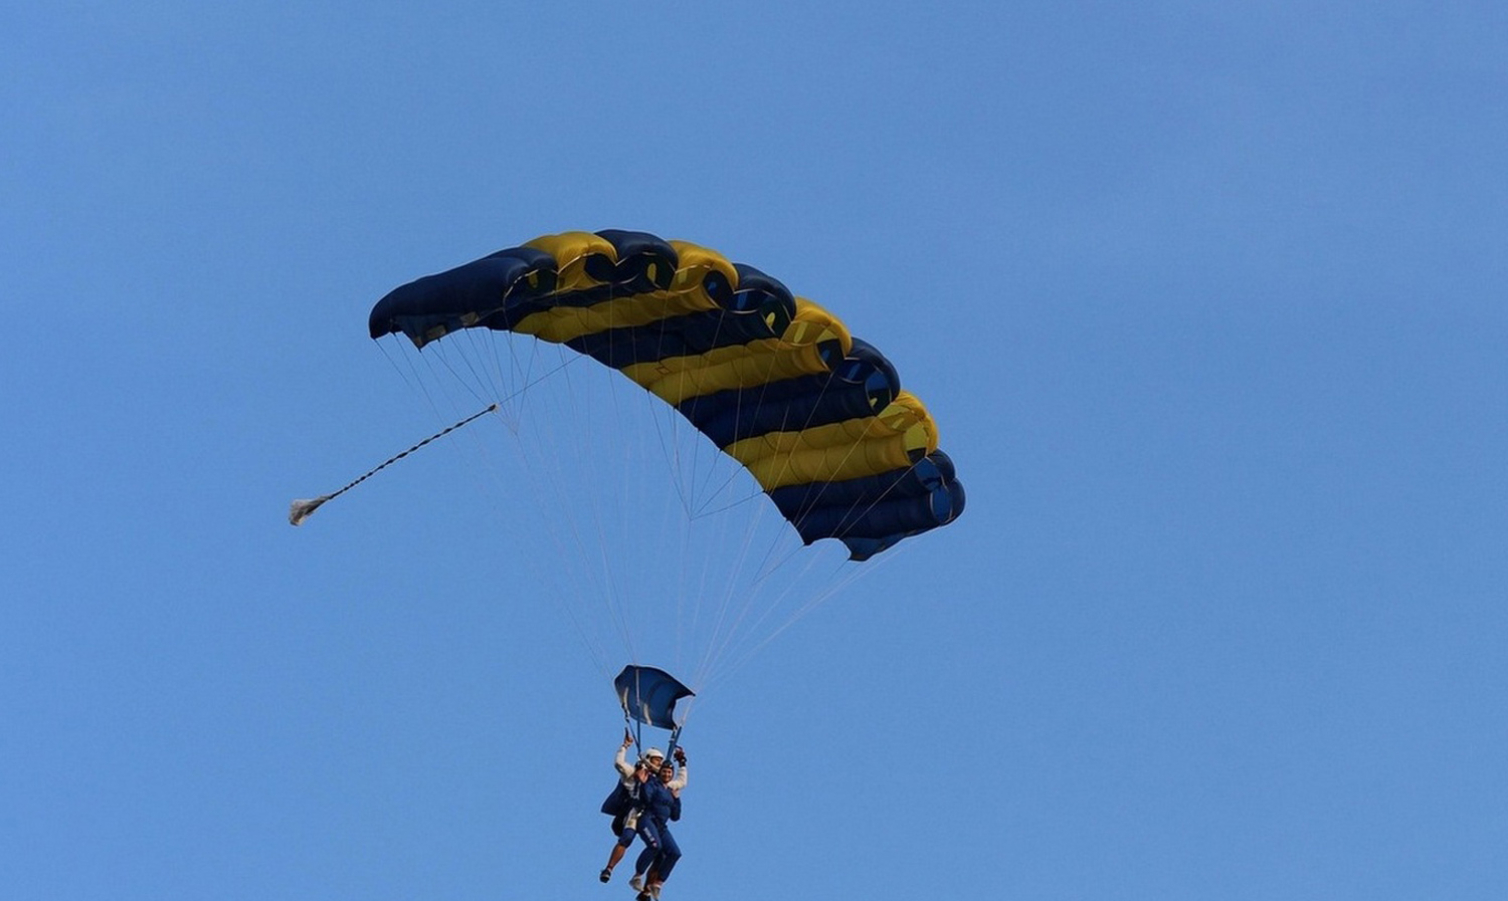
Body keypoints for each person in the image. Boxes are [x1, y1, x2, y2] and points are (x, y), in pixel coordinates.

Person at [631, 746, 687, 900]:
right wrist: (643, 783)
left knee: (675, 853)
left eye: (669, 772)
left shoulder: (670, 791)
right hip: (648, 820)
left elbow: (676, 816)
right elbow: (646, 799)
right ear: (660, 772)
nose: (667, 774)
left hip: (662, 827)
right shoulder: (652, 783)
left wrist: (677, 799)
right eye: (664, 771)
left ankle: (658, 883)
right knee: (655, 846)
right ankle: (638, 875)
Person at [599, 732, 652, 883]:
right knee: (626, 839)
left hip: (649, 816)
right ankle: (609, 868)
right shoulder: (631, 774)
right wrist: (625, 746)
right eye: (656, 760)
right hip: (634, 813)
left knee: (659, 847)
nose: (658, 763)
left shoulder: (656, 779)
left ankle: (647, 884)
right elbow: (619, 764)